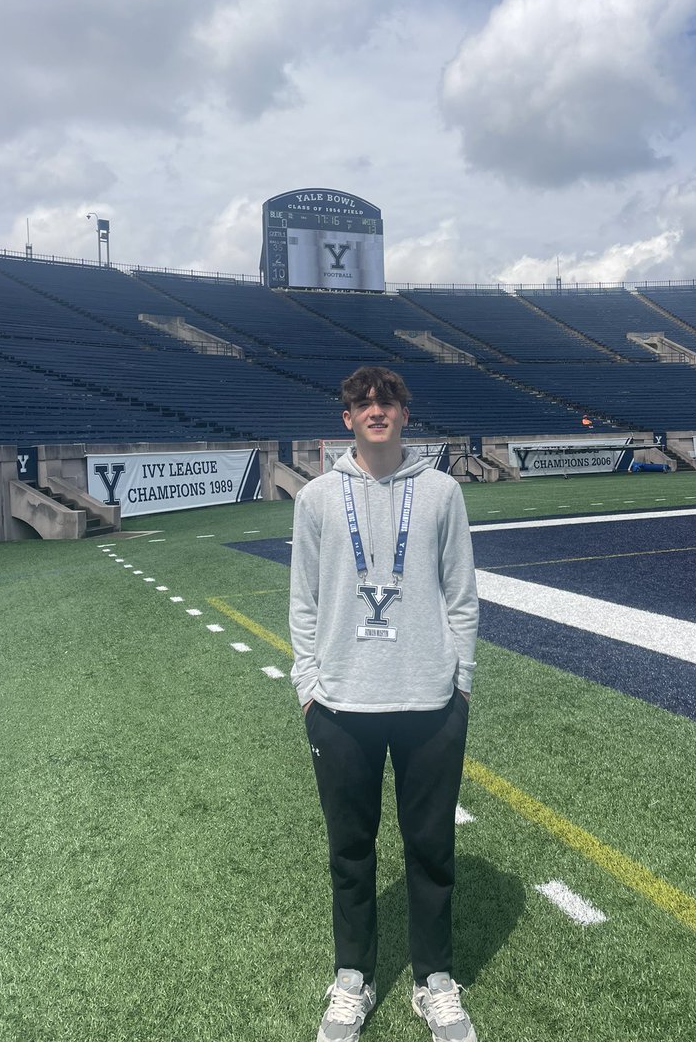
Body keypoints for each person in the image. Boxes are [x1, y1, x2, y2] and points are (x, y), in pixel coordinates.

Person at [289, 365, 479, 1042]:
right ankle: (353, 978)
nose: (376, 410)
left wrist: (461, 681)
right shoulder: (315, 498)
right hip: (341, 704)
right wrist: (308, 685)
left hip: (430, 698)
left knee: (431, 847)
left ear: (405, 414)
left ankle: (435, 980)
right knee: (350, 849)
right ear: (346, 418)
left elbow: (461, 592)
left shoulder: (441, 492)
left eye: (388, 401)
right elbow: (304, 600)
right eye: (363, 402)